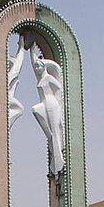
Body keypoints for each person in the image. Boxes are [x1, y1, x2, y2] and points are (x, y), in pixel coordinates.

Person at [29, 45, 65, 177]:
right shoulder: (39, 78)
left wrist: (60, 103)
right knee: (35, 110)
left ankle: (58, 160)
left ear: (44, 67)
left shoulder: (49, 78)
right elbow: (34, 63)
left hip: (52, 105)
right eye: (36, 67)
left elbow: (59, 89)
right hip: (43, 105)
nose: (37, 68)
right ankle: (51, 142)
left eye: (39, 66)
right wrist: (31, 48)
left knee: (55, 132)